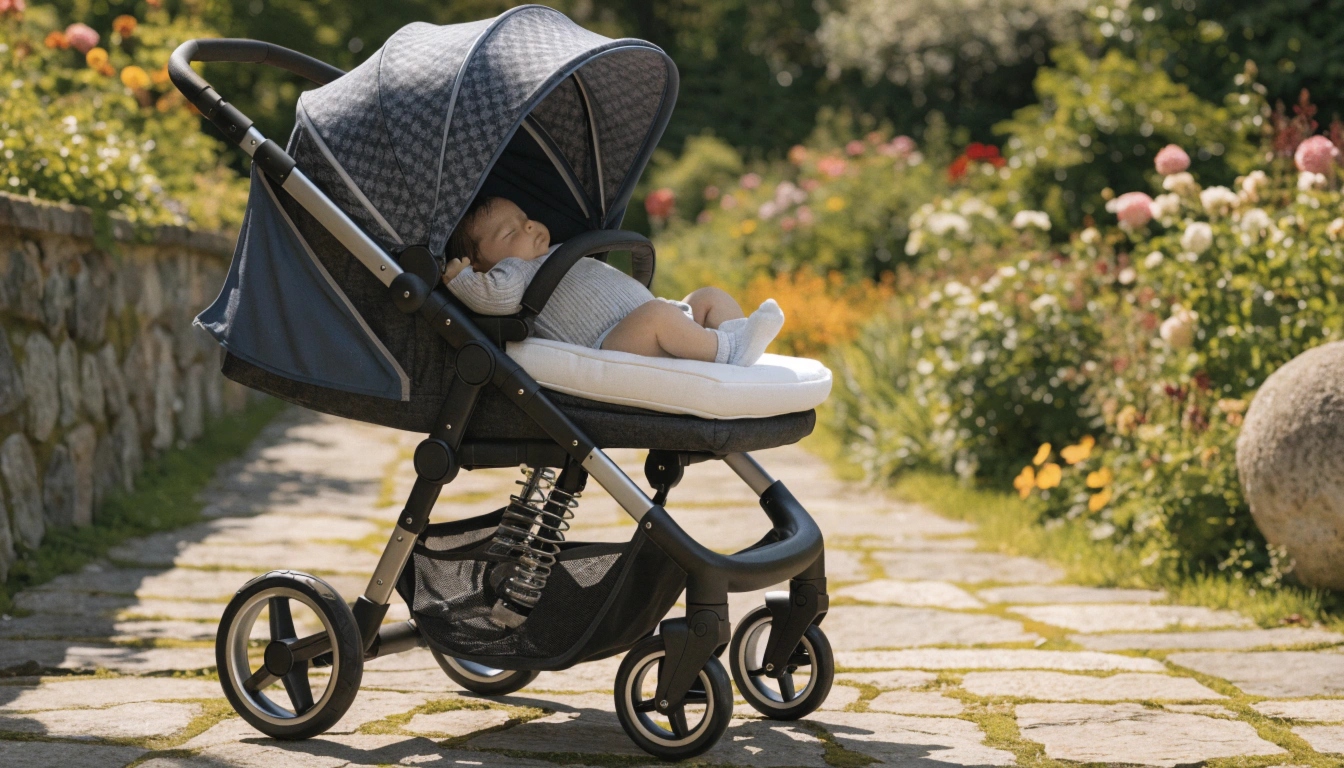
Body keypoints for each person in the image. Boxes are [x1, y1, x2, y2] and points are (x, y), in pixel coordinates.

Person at [442, 197, 784, 366]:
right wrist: (464, 279)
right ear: (482, 262)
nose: (529, 227)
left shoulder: (559, 251)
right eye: (511, 231)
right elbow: (494, 298)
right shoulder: (515, 273)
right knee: (658, 316)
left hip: (653, 321)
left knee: (708, 296)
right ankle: (730, 350)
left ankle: (735, 337)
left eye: (526, 219)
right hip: (612, 343)